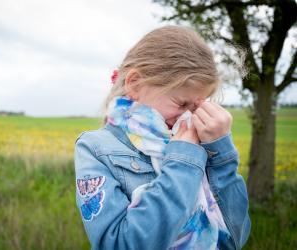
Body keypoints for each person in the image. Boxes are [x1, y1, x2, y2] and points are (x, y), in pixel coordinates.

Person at [74, 25, 251, 250]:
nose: (189, 116)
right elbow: (119, 244)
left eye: (197, 106)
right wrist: (182, 163)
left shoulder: (200, 143)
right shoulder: (96, 148)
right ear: (135, 84)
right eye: (181, 103)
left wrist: (221, 154)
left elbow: (236, 238)